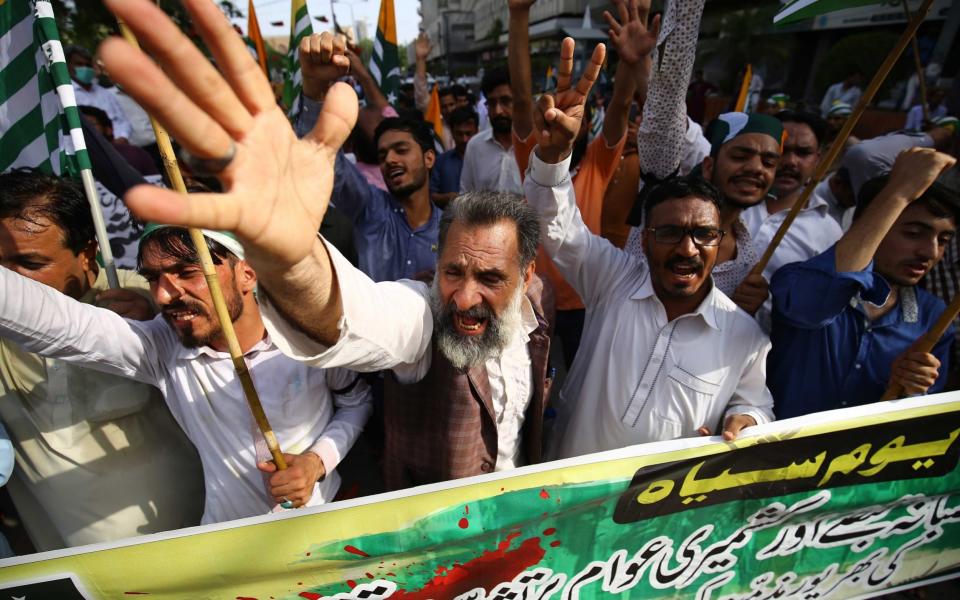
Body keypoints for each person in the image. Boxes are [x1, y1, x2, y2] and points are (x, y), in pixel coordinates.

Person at [93, 0, 553, 490]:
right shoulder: (421, 312)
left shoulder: (538, 312)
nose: (462, 297)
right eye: (452, 272)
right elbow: (355, 315)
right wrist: (290, 264)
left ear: (526, 276)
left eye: (490, 278)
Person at [0, 219, 372, 524]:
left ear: (246, 273)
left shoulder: (307, 334)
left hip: (331, 523)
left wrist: (317, 461)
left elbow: (356, 400)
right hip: (229, 543)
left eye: (186, 272)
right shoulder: (162, 349)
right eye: (154, 279)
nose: (164, 295)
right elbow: (62, 325)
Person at [521, 39, 773, 461]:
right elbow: (556, 224)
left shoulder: (745, 336)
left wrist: (744, 419)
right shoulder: (612, 279)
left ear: (718, 241)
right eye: (670, 232)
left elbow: (755, 404)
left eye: (703, 235)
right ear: (644, 238)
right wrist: (554, 153)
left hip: (655, 516)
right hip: (565, 493)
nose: (688, 249)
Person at [0, 169, 204, 550]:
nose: (11, 283)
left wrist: (165, 325)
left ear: (87, 252)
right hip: (86, 577)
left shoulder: (155, 302)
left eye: (28, 264)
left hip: (205, 553)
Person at [509, 0, 652, 367]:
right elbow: (522, 99)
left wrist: (632, 63)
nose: (564, 123)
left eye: (576, 115)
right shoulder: (536, 158)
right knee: (528, 391)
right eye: (556, 112)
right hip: (532, 294)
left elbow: (621, 105)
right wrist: (518, 15)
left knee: (578, 381)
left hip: (585, 298)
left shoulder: (597, 164)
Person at [769, 148, 958, 419]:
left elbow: (920, 419)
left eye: (944, 240)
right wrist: (899, 193)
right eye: (913, 233)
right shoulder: (798, 280)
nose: (930, 252)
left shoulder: (933, 318)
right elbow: (812, 305)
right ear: (867, 223)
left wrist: (910, 390)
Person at [626, 111, 785, 316]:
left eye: (768, 163)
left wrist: (739, 314)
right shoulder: (662, 203)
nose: (756, 168)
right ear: (709, 166)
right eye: (740, 157)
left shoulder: (747, 262)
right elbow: (665, 108)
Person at [742, 110, 843, 331]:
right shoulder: (730, 203)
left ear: (819, 159)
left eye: (803, 152)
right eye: (782, 150)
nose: (790, 162)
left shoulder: (828, 232)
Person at [459, 67, 522, 194]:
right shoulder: (475, 146)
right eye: (492, 103)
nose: (498, 111)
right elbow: (465, 198)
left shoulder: (537, 146)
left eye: (505, 101)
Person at [66, 45, 133, 144]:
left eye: (88, 65)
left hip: (119, 147)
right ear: (67, 66)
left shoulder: (105, 93)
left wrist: (121, 138)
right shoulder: (66, 96)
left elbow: (122, 121)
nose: (85, 68)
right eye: (79, 64)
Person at [79, 106, 160, 177]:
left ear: (108, 129)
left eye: (90, 125)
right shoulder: (74, 161)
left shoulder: (133, 153)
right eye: (79, 128)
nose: (83, 131)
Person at [430, 107, 479, 208]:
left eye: (468, 134)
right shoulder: (441, 161)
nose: (464, 139)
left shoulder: (486, 159)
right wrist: (448, 198)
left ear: (477, 132)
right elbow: (430, 195)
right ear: (452, 133)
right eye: (459, 134)